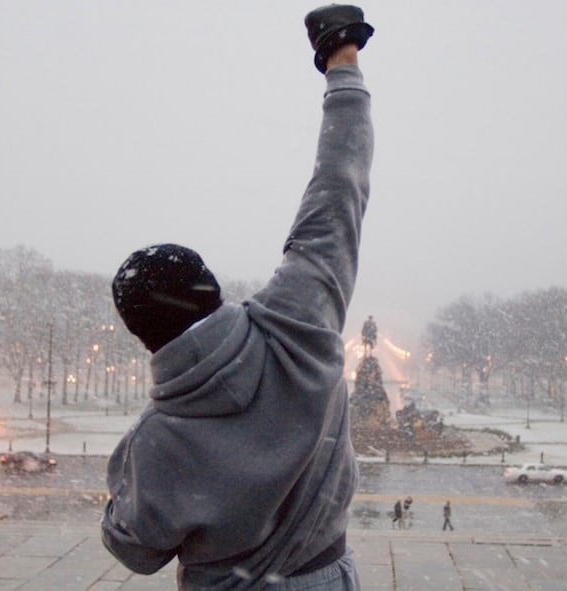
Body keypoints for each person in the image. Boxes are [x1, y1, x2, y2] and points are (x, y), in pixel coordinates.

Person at [101, 5, 375, 589]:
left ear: (142, 335)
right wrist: (342, 61)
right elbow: (339, 186)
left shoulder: (157, 441)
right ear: (212, 286)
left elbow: (135, 550)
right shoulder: (298, 318)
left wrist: (124, 480)